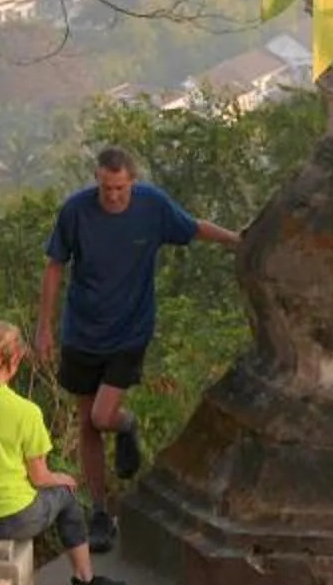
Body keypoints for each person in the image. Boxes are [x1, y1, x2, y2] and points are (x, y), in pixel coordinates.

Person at [37, 144, 242, 552]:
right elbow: (55, 265)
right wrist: (44, 325)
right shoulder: (76, 212)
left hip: (129, 330)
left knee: (102, 415)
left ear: (132, 181)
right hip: (82, 331)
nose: (112, 196)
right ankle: (99, 511)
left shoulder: (152, 206)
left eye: (119, 188)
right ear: (97, 180)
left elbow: (192, 227)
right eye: (105, 188)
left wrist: (237, 241)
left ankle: (126, 424)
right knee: (86, 424)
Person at [0, 321, 127, 585]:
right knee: (66, 496)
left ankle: (85, 582)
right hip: (9, 519)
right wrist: (62, 479)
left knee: (56, 491)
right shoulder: (25, 412)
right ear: (16, 359)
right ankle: (85, 582)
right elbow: (39, 478)